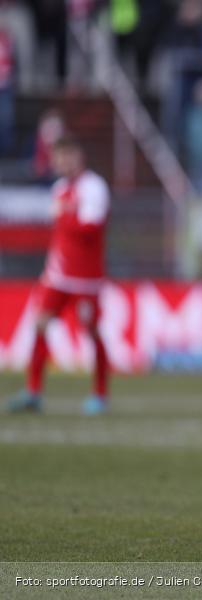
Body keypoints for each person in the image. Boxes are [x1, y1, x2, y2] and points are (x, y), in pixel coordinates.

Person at [8, 136, 111, 415]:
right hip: (57, 276)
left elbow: (91, 229)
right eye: (59, 157)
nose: (63, 162)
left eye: (68, 156)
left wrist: (65, 214)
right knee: (39, 324)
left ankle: (100, 394)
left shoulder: (93, 187)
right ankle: (33, 391)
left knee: (91, 331)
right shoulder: (60, 188)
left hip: (85, 279)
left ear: (79, 156)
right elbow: (61, 236)